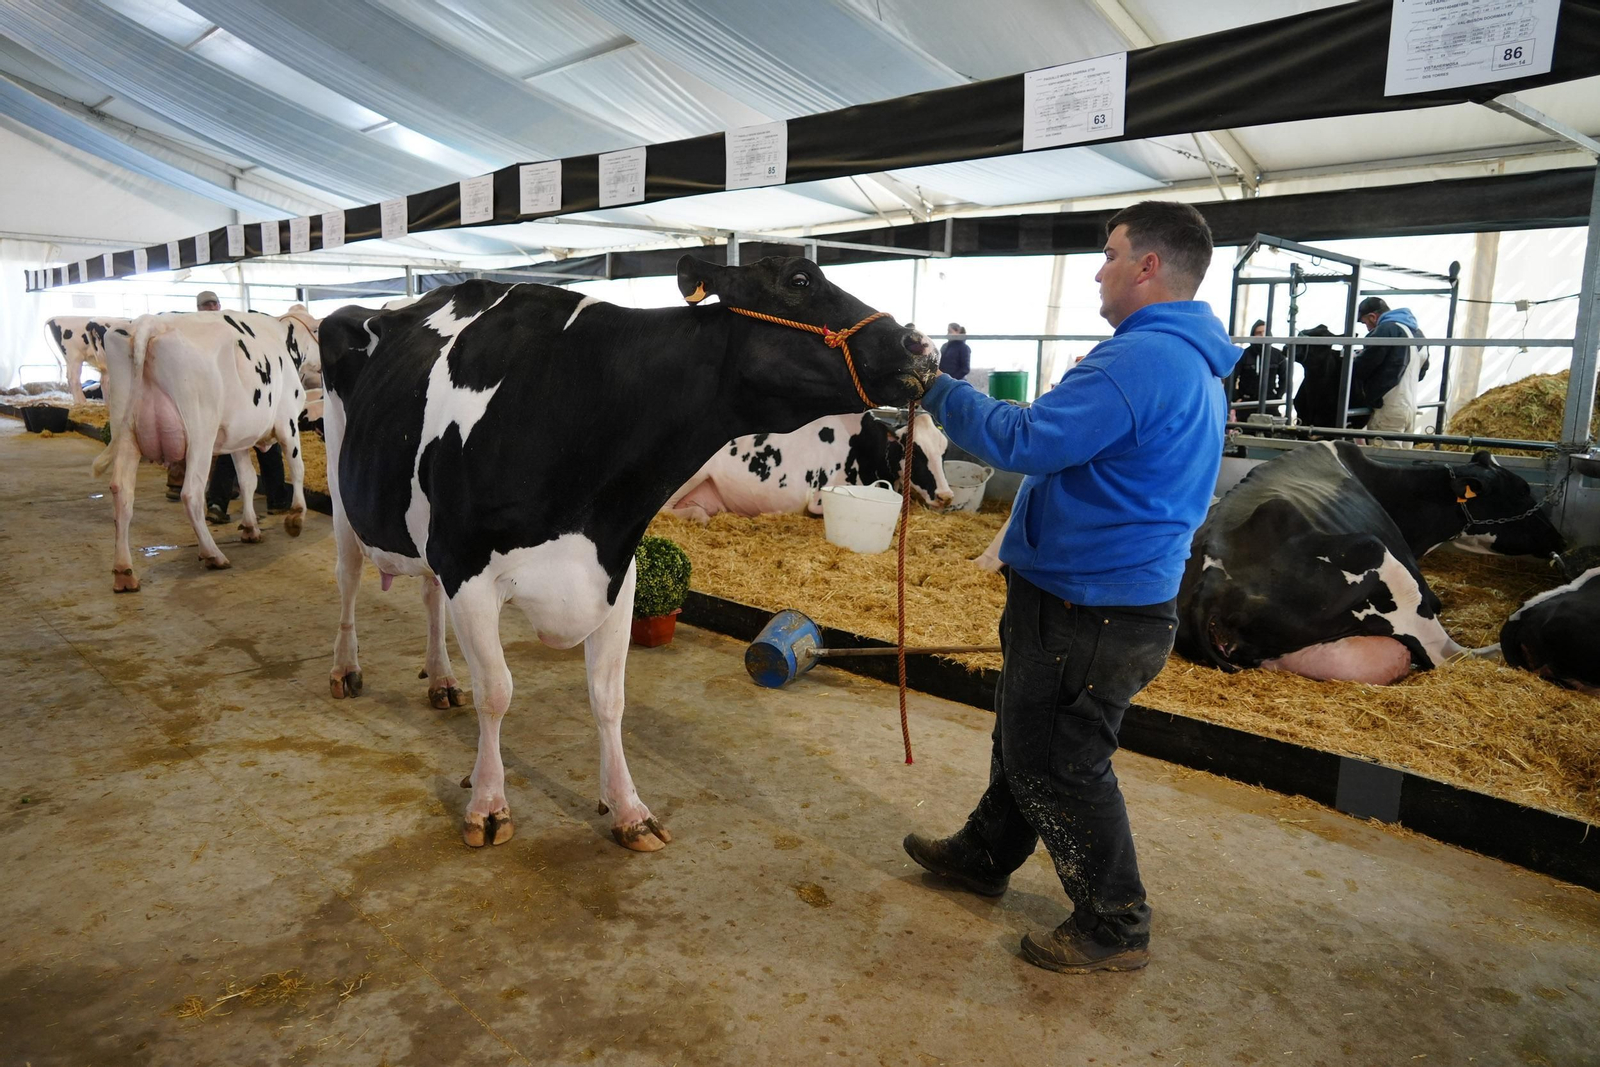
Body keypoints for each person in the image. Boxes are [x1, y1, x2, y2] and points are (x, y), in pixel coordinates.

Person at [902, 200, 1239, 974]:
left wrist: (937, 388)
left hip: (1093, 605)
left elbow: (1027, 440)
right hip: (1103, 596)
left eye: (1112, 252)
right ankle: (985, 854)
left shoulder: (1142, 360)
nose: (1099, 267)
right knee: (1029, 735)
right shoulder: (1188, 360)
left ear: (1148, 266)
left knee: (1062, 758)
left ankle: (1115, 921)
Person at [192, 291, 291, 523]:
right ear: (198, 308)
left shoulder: (232, 326)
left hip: (251, 395)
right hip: (226, 402)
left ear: (219, 304)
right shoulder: (199, 332)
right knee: (232, 451)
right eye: (206, 305)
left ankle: (274, 500)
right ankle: (218, 503)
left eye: (213, 303)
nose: (211, 308)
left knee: (267, 446)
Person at [1351, 297, 1424, 447]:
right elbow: (1422, 372)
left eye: (1365, 323)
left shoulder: (1386, 329)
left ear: (1372, 317)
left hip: (1389, 408)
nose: (1368, 328)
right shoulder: (1416, 333)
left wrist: (1354, 359)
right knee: (1403, 458)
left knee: (1383, 461)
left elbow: (1364, 367)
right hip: (1409, 406)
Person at [1233, 319, 1286, 407]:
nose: (1262, 335)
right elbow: (1232, 378)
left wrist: (1278, 396)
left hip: (1269, 402)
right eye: (1258, 333)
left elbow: (1285, 379)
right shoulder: (1243, 355)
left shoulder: (1278, 355)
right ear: (1253, 335)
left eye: (1265, 332)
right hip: (1246, 401)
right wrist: (1236, 398)